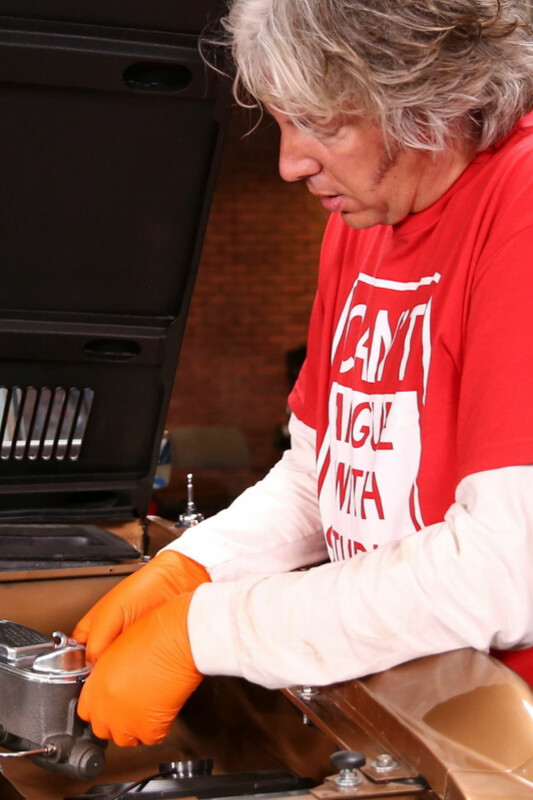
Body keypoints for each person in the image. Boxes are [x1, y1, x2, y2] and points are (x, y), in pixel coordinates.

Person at [73, 0, 533, 747]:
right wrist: (196, 565)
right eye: (283, 122)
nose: (291, 162)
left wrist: (208, 630)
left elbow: (504, 571)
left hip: (503, 741)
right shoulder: (361, 222)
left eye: (323, 124)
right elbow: (321, 477)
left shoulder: (519, 203)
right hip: (399, 709)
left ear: (427, 96)